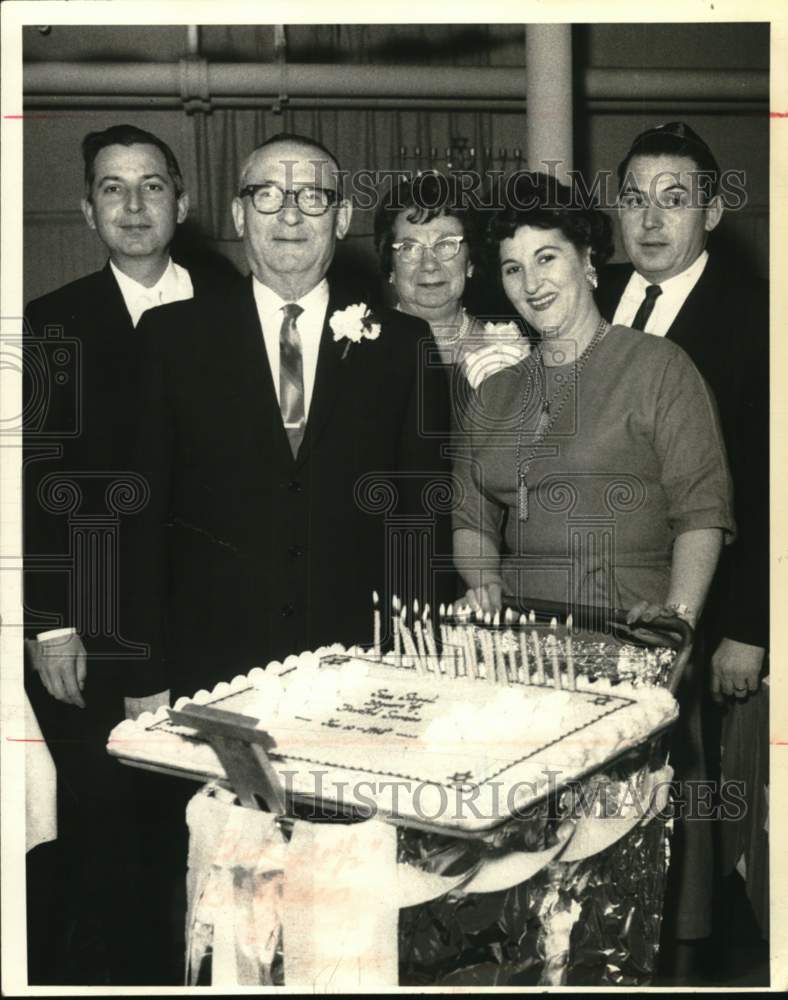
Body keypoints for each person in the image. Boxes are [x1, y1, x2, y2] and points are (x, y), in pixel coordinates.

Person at [451, 172, 734, 979]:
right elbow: (473, 518)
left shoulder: (657, 368)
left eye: (549, 258)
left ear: (589, 262)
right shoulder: (494, 391)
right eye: (511, 267)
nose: (532, 282)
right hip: (528, 669)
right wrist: (482, 585)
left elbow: (702, 512)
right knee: (538, 879)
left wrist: (675, 630)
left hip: (634, 651)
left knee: (637, 873)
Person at [128, 133, 451, 704]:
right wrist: (144, 672)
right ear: (238, 212)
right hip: (210, 665)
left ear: (343, 216)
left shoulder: (404, 344)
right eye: (268, 196)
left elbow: (419, 522)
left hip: (360, 664)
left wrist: (414, 661)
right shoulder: (170, 337)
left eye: (311, 197)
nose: (290, 216)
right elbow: (141, 519)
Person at [22, 124, 236, 984]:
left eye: (152, 185)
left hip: (209, 623)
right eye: (114, 188)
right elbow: (34, 483)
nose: (135, 204)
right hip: (97, 627)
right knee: (112, 838)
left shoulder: (232, 306)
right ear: (86, 209)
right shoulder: (51, 323)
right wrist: (48, 624)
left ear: (183, 203)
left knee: (214, 831)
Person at [596, 121, 769, 966]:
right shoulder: (605, 298)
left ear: (710, 210)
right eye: (636, 199)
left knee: (689, 798)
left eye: (675, 200)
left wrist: (751, 623)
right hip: (607, 595)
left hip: (707, 608)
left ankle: (682, 960)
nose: (653, 219)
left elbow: (773, 481)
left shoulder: (755, 321)